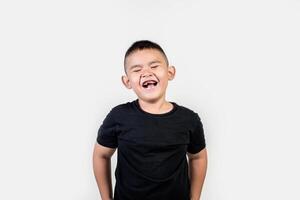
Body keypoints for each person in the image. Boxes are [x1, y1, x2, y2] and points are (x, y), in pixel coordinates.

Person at [93, 40, 208, 200]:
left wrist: (195, 198)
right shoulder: (118, 116)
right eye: (137, 69)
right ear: (127, 82)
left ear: (170, 72)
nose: (146, 72)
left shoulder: (189, 119)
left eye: (154, 66)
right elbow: (101, 155)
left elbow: (198, 157)